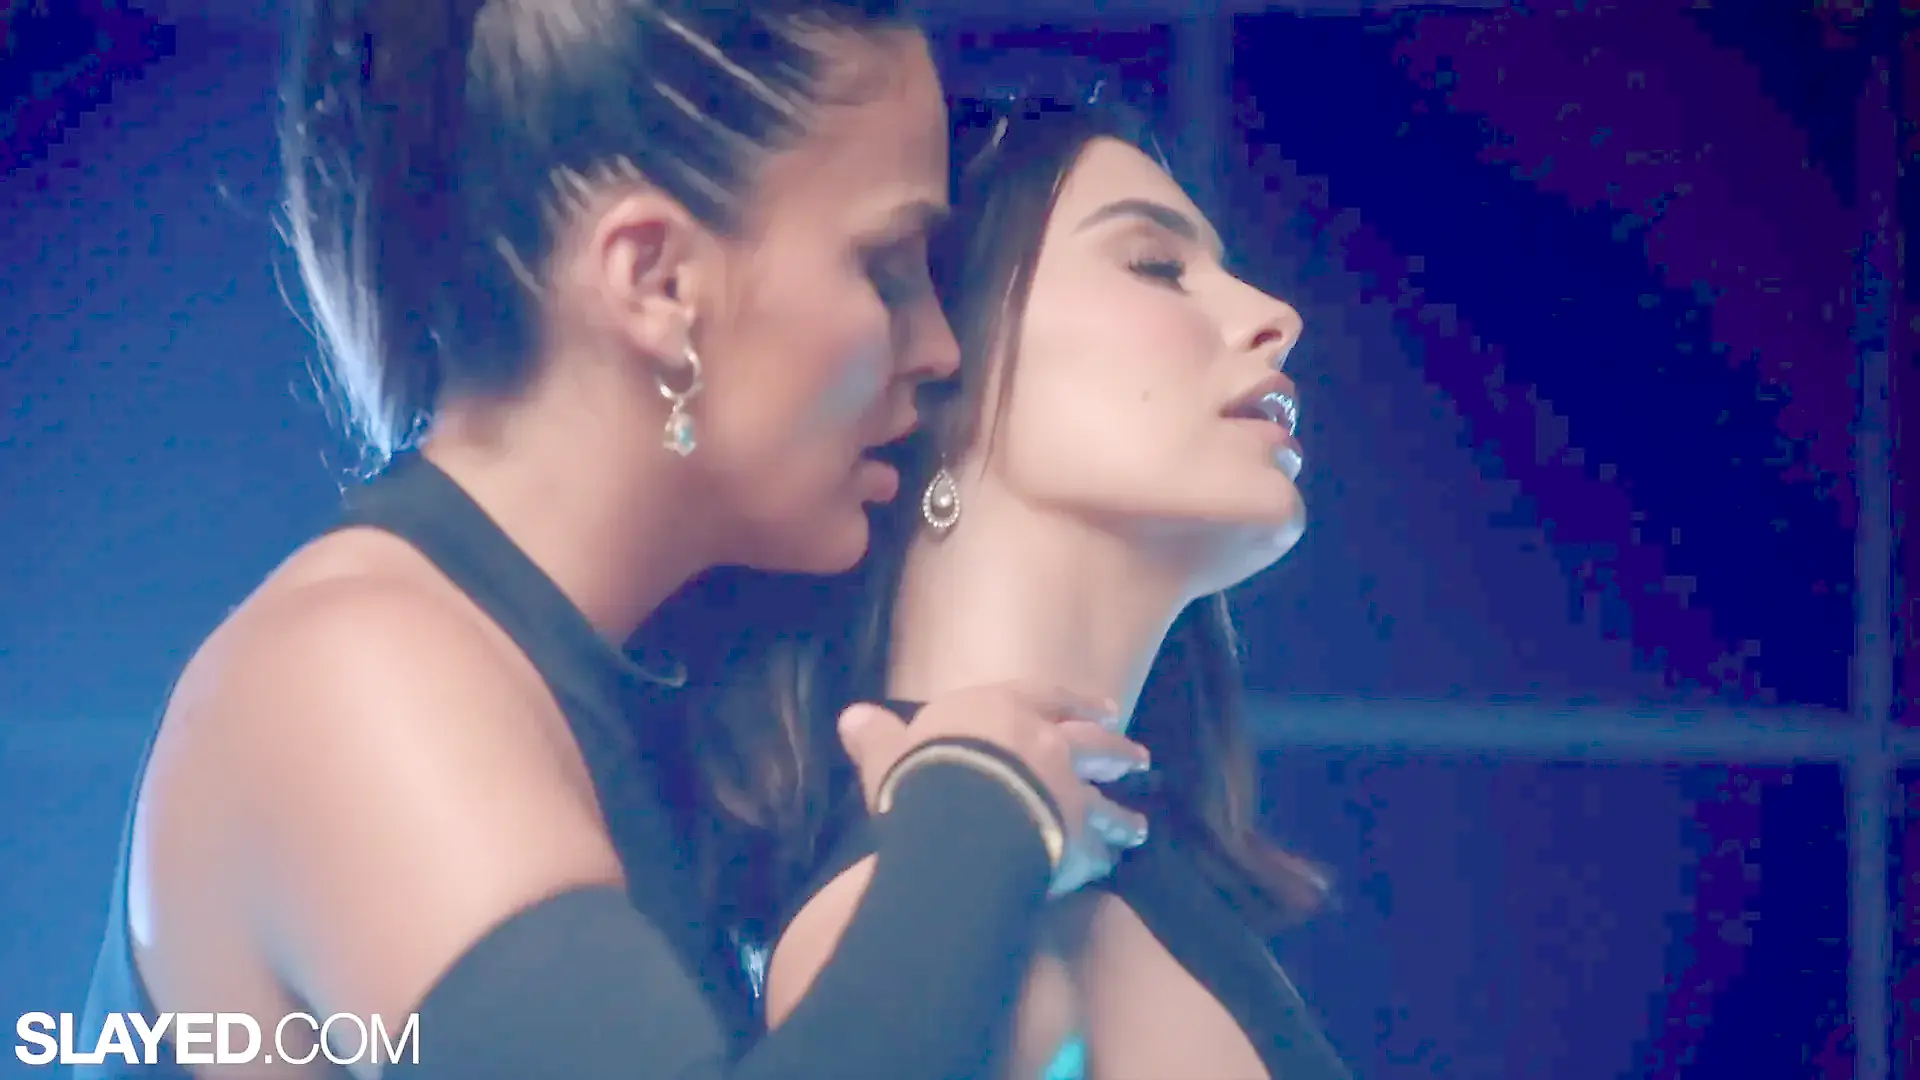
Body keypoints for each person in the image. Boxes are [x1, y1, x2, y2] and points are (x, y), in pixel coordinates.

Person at [73, 5, 1153, 1078]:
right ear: (656, 282)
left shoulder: (616, 696)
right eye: (885, 267)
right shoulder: (350, 674)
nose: (941, 348)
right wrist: (981, 807)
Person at [751, 96, 1353, 1078]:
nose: (1274, 318)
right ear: (932, 371)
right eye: (1154, 265)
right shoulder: (927, 909)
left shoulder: (1137, 887)